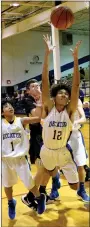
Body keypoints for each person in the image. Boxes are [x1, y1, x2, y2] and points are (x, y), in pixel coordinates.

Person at [39, 34, 82, 196]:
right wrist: (47, 54)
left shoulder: (69, 111)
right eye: (60, 93)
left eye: (66, 94)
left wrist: (76, 59)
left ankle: (56, 174)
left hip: (63, 151)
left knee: (74, 187)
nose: (64, 95)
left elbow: (76, 85)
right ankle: (44, 191)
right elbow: (44, 82)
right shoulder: (49, 108)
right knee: (48, 172)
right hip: (47, 149)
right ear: (55, 96)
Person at [1, 101, 46, 219]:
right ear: (2, 112)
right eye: (6, 106)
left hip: (20, 159)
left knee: (29, 183)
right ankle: (11, 202)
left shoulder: (21, 121)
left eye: (10, 105)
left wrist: (39, 106)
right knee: (7, 184)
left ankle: (39, 198)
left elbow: (37, 118)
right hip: (5, 160)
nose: (9, 107)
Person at [23, 79, 61, 201]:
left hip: (49, 137)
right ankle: (30, 196)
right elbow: (37, 117)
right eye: (33, 86)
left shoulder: (47, 99)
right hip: (37, 139)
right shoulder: (27, 100)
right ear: (28, 91)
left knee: (48, 167)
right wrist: (41, 103)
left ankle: (42, 192)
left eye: (37, 85)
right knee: (43, 168)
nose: (36, 88)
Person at [68, 98, 90, 202]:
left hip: (75, 134)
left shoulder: (76, 100)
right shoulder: (58, 99)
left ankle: (81, 190)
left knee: (81, 164)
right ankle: (55, 187)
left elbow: (83, 118)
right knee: (56, 164)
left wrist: (76, 122)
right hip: (61, 135)